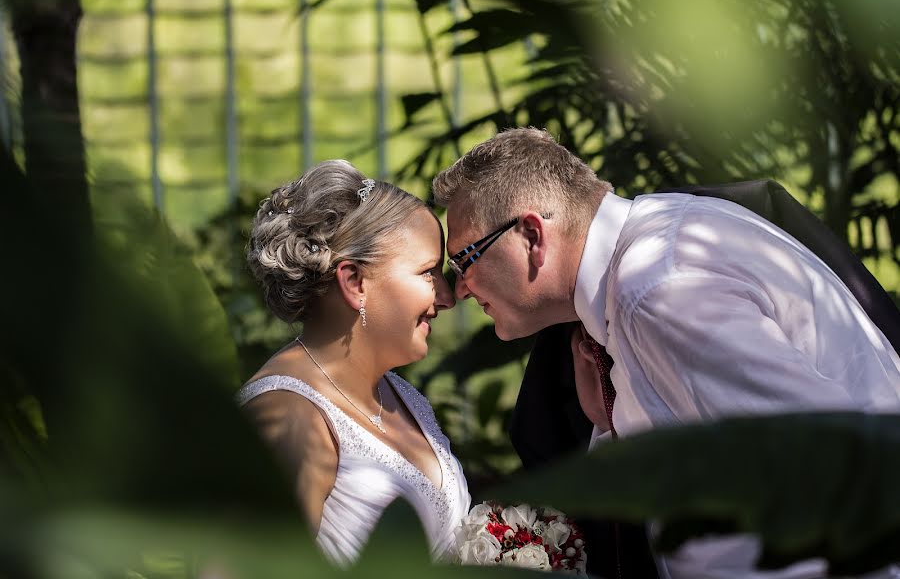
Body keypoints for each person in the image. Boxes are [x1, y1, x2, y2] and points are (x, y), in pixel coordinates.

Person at [434, 127, 900, 578]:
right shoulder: (662, 235)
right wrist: (609, 420)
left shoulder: (658, 291)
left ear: (532, 236)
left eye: (465, 259)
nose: (459, 290)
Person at [236, 160, 471, 566]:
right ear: (355, 282)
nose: (448, 297)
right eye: (428, 272)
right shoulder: (288, 416)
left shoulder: (401, 396)